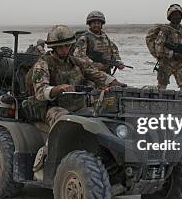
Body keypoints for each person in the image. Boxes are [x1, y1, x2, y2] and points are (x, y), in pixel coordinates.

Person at [30, 25, 126, 174]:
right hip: (52, 107)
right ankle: (45, 156)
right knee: (63, 120)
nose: (64, 49)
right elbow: (40, 92)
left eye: (67, 46)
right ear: (54, 47)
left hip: (78, 106)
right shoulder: (43, 64)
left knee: (101, 119)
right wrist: (59, 88)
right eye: (61, 47)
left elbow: (95, 74)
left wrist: (114, 83)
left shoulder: (76, 62)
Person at [146, 4, 182, 100]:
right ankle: (160, 107)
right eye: (174, 15)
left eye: (178, 15)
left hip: (180, 63)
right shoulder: (165, 30)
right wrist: (173, 54)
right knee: (161, 88)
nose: (177, 17)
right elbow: (159, 47)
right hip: (165, 63)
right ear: (170, 16)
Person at [73, 10, 125, 74]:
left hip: (106, 73)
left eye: (98, 23)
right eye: (94, 23)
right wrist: (93, 64)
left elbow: (114, 50)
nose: (96, 25)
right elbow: (78, 56)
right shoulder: (85, 38)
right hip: (90, 74)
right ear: (89, 24)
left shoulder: (105, 37)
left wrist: (118, 62)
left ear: (101, 24)